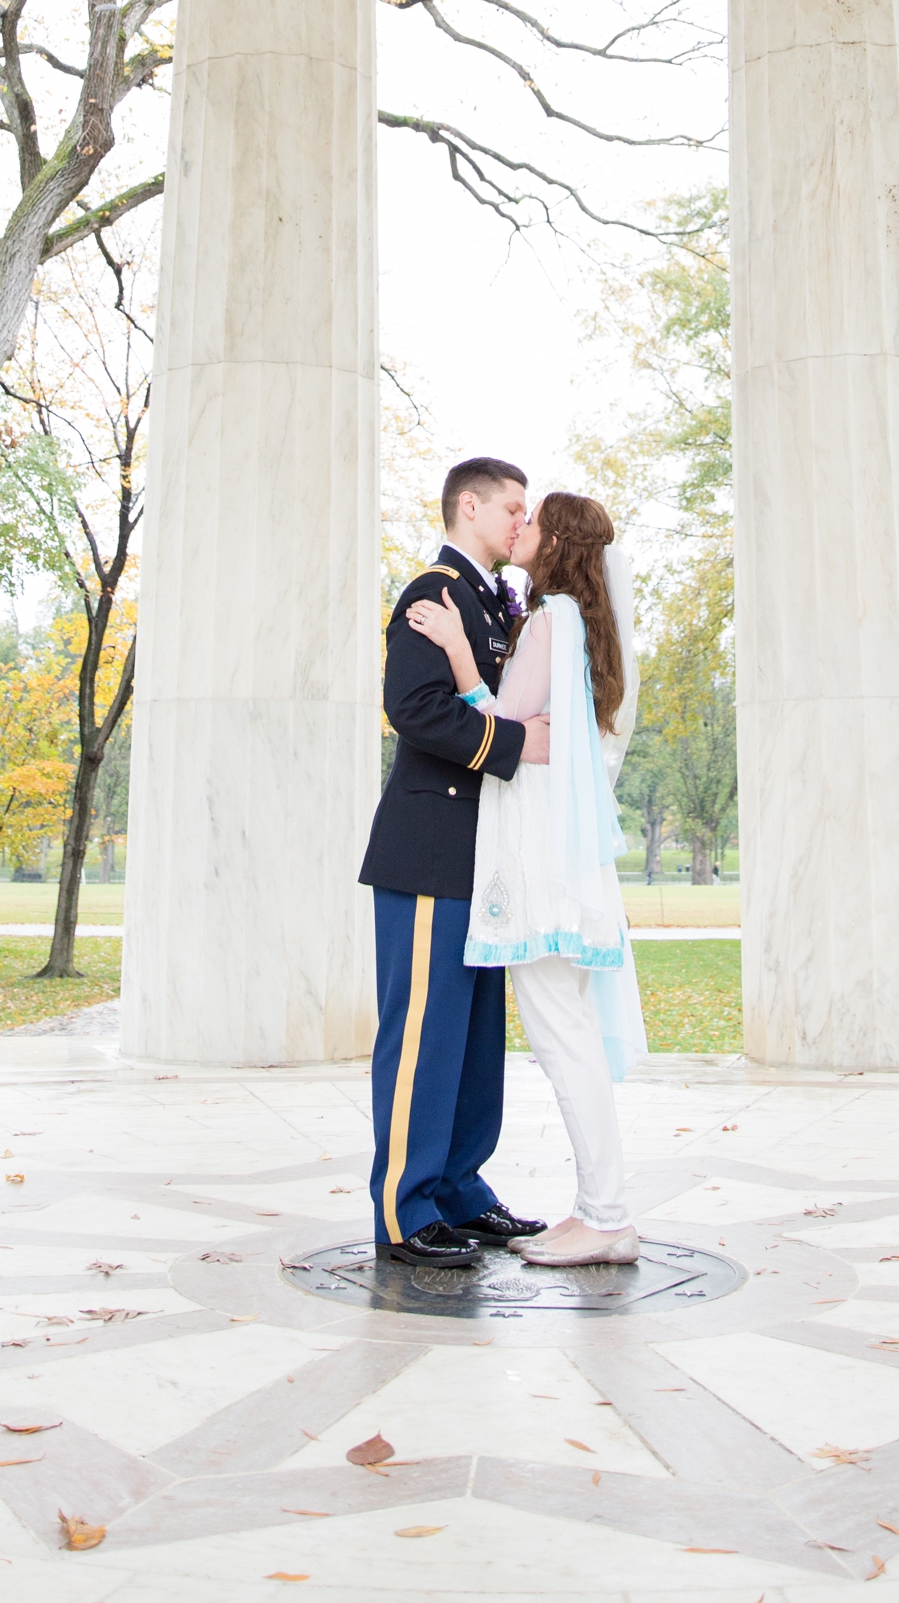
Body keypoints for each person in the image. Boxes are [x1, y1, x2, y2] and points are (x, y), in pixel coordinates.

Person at [408, 489, 644, 1267]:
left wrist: (456, 649)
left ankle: (606, 1215)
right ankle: (598, 1208)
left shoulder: (553, 621)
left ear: (557, 545)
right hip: (568, 864)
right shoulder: (591, 630)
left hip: (541, 863)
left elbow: (498, 717)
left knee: (562, 1040)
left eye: (533, 520)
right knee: (567, 1035)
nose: (522, 528)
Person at [359, 455, 553, 1265]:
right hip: (431, 847)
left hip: (481, 855)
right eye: (512, 508)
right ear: (467, 507)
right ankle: (406, 1210)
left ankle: (460, 1191)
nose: (521, 522)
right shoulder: (430, 593)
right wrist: (513, 745)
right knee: (421, 1039)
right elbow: (413, 710)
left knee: (473, 1039)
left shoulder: (491, 601)